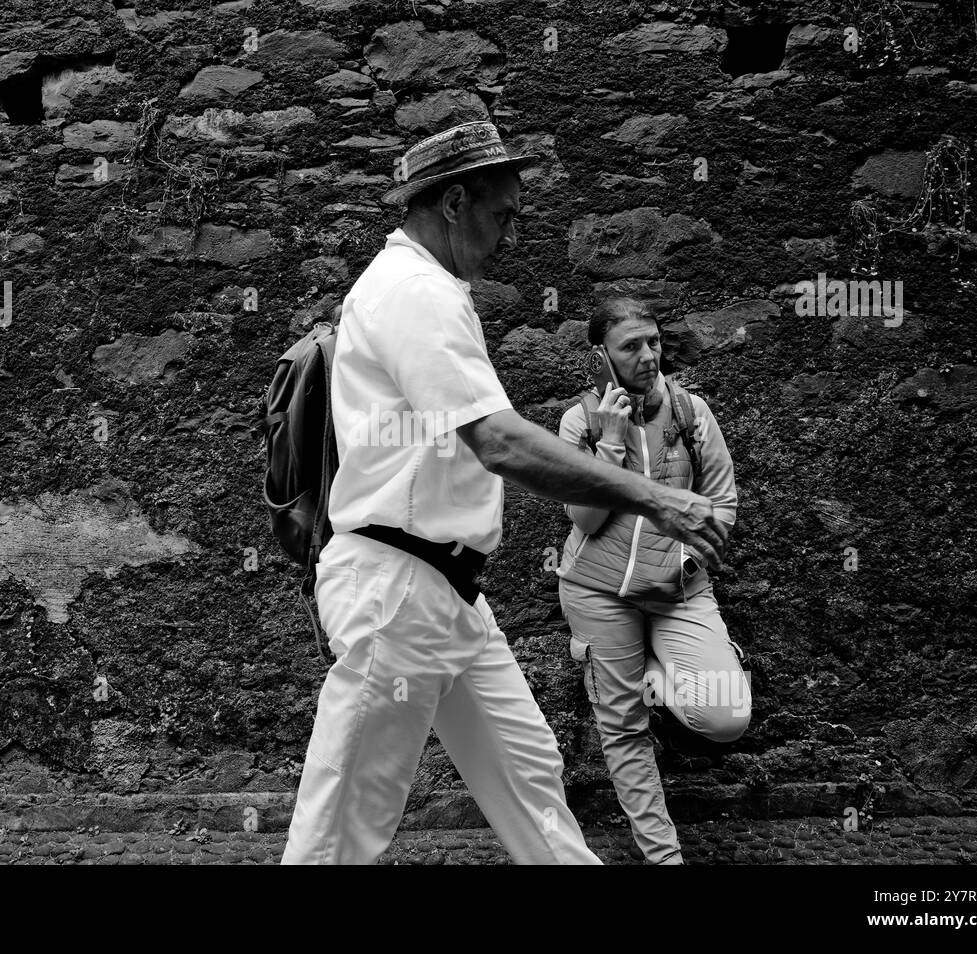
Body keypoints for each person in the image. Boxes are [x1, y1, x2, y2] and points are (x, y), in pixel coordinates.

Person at [281, 122, 728, 865]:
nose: (511, 236)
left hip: (447, 592)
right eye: (504, 215)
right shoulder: (413, 293)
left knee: (530, 782)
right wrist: (656, 496)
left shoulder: (427, 289)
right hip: (398, 593)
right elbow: (500, 441)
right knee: (340, 830)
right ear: (454, 202)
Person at [556, 297, 750, 865]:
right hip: (597, 591)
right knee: (622, 729)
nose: (647, 355)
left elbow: (724, 503)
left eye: (654, 342)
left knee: (725, 717)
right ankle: (664, 857)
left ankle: (661, 677)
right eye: (630, 346)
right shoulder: (580, 422)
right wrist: (611, 442)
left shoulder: (692, 413)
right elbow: (586, 520)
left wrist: (685, 561)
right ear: (602, 356)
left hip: (678, 592)